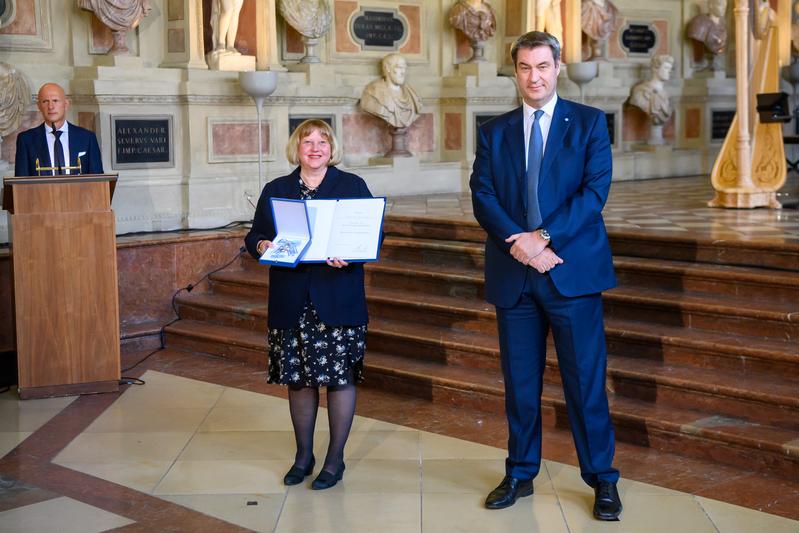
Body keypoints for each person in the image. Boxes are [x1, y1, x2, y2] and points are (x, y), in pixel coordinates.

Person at [469, 31, 621, 520]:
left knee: (584, 383)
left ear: (558, 67)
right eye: (524, 67)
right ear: (515, 71)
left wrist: (544, 238)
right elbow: (483, 197)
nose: (533, 77)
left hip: (571, 274)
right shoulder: (495, 132)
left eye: (542, 66)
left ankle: (602, 479)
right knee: (519, 384)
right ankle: (520, 472)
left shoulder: (590, 124)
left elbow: (594, 194)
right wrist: (523, 244)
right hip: (516, 276)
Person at [244, 119, 374, 491]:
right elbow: (255, 234)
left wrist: (349, 253)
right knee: (298, 379)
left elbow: (370, 232)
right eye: (307, 142)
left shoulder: (351, 186)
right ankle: (304, 456)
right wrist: (262, 246)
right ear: (296, 148)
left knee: (339, 379)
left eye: (322, 142)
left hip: (337, 298)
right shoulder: (277, 189)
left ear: (332, 149)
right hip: (291, 298)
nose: (315, 148)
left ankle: (334, 460)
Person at [15, 83, 103, 176]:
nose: (51, 107)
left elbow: (98, 180)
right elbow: (20, 184)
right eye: (45, 101)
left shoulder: (87, 138)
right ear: (39, 106)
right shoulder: (26, 140)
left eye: (55, 100)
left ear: (66, 104)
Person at [360, 53, 422, 129]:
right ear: (388, 68)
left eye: (404, 68)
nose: (403, 72)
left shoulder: (411, 93)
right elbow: (367, 105)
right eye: (399, 67)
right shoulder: (373, 91)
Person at [628, 55, 674, 126]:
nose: (669, 71)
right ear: (655, 69)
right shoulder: (640, 91)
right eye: (666, 68)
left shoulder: (667, 94)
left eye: (670, 69)